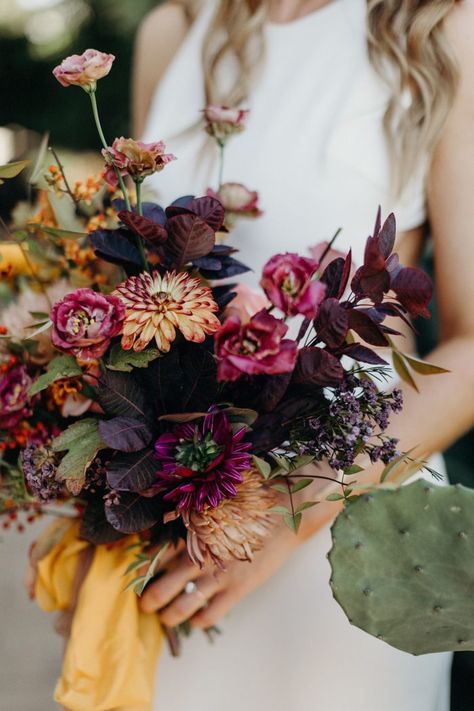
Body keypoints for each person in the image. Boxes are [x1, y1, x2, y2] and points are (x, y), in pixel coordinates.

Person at [132, 1, 474, 709]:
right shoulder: (175, 29)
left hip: (348, 526)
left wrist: (292, 505)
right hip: (172, 521)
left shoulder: (439, 29)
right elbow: (133, 294)